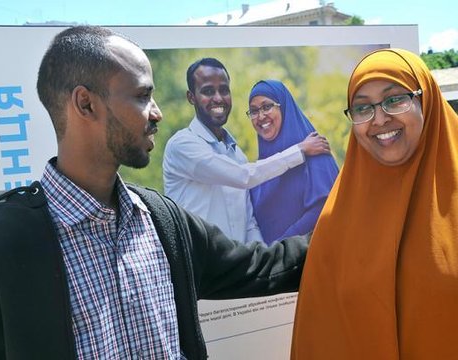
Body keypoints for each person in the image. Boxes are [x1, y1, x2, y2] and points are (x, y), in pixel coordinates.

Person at [0, 26, 311, 360]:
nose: (157, 113)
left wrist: (347, 226)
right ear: (86, 103)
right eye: (141, 96)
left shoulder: (161, 220)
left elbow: (264, 267)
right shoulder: (2, 248)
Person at [290, 48, 458, 360]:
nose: (379, 119)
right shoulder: (336, 221)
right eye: (362, 108)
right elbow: (321, 336)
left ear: (427, 101)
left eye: (395, 99)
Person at [163, 58, 330, 243]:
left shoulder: (237, 155)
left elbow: (249, 223)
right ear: (191, 97)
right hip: (201, 269)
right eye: (208, 91)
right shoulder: (182, 145)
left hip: (245, 267)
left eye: (224, 90)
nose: (218, 98)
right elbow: (244, 176)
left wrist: (266, 261)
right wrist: (299, 150)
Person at [247, 80, 339, 245]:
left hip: (310, 263)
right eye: (254, 111)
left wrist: (278, 249)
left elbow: (324, 209)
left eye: (267, 106)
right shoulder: (261, 170)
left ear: (283, 107)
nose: (260, 116)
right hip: (271, 267)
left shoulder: (316, 151)